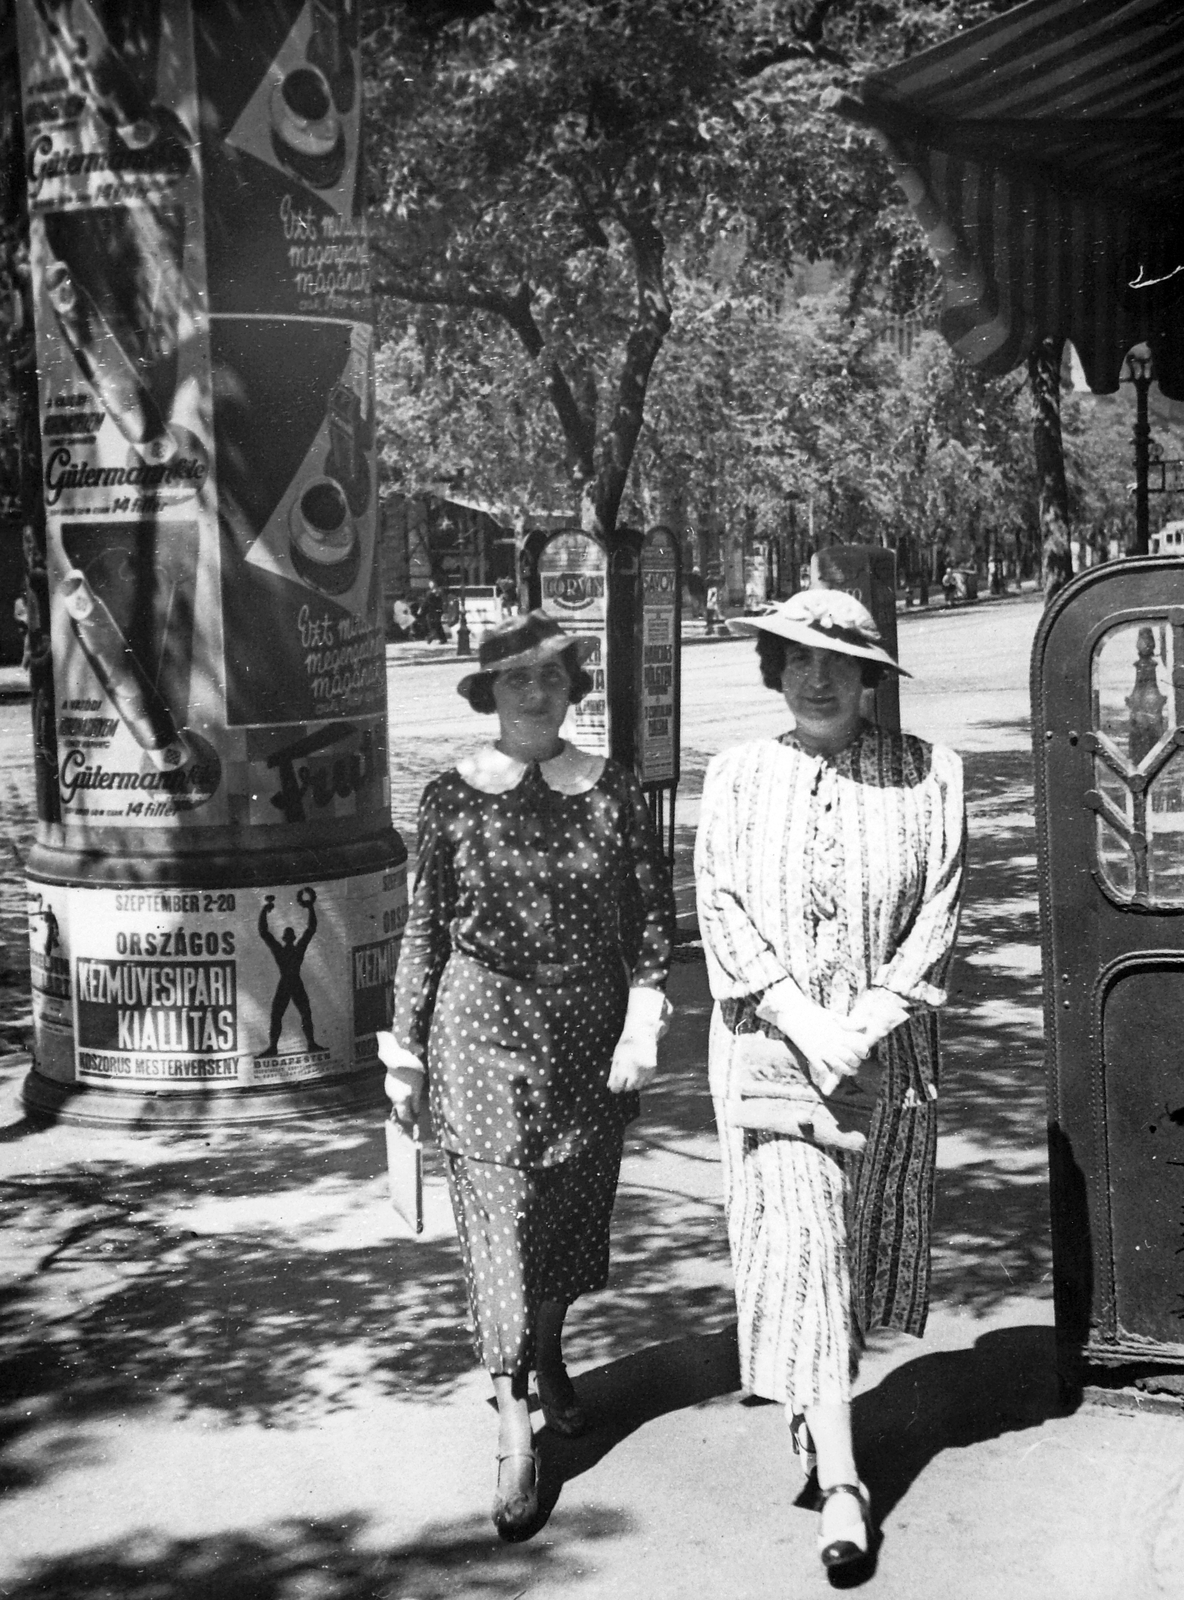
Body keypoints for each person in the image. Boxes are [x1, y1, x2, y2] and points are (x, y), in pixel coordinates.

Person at [379, 609, 675, 1541]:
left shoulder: (613, 791)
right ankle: (513, 1413)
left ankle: (547, 1346)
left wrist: (640, 1025)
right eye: (515, 680)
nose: (535, 693)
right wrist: (406, 1050)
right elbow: (426, 929)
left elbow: (653, 922)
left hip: (585, 1035)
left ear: (572, 687)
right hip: (478, 1031)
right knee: (498, 1219)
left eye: (550, 676)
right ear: (491, 694)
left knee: (571, 1211)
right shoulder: (450, 797)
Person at [694, 588, 964, 1575]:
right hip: (767, 1048)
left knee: (840, 1259)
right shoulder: (733, 775)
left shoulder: (929, 774)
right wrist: (802, 1017)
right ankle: (845, 1485)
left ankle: (816, 1400)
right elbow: (718, 903)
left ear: (865, 679)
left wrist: (868, 1018)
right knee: (802, 1235)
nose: (814, 679)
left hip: (876, 1055)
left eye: (835, 664)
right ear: (774, 668)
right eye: (794, 659)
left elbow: (936, 913)